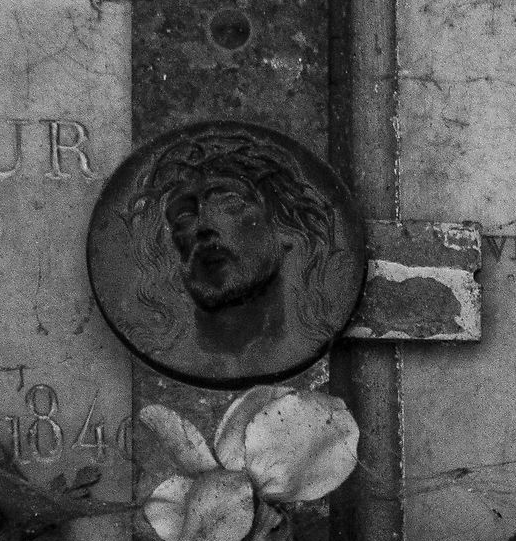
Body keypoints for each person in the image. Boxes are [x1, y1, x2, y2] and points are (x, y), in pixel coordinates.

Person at [113, 125, 354, 384]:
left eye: (229, 202)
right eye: (184, 216)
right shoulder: (167, 352)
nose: (203, 225)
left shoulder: (307, 340)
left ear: (283, 226)